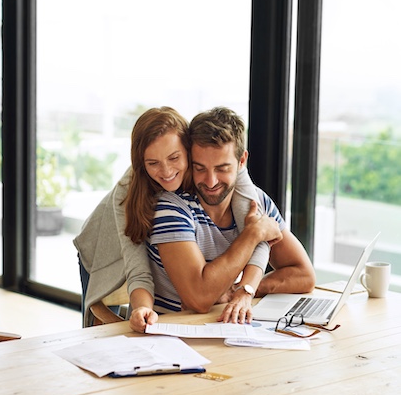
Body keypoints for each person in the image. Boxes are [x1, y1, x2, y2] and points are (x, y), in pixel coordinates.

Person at [74, 106, 270, 332]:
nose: (166, 171)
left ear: (189, 150)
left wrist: (244, 289)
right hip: (103, 250)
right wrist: (141, 308)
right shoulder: (127, 192)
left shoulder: (219, 171)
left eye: (174, 157)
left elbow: (257, 229)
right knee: (98, 334)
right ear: (141, 162)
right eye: (153, 163)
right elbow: (137, 267)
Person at [148, 107, 316, 325]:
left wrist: (242, 290)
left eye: (222, 168)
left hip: (224, 331)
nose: (210, 181)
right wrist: (253, 234)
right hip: (173, 336)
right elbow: (200, 299)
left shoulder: (257, 201)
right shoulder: (172, 208)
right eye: (200, 168)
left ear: (241, 161)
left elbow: (304, 275)